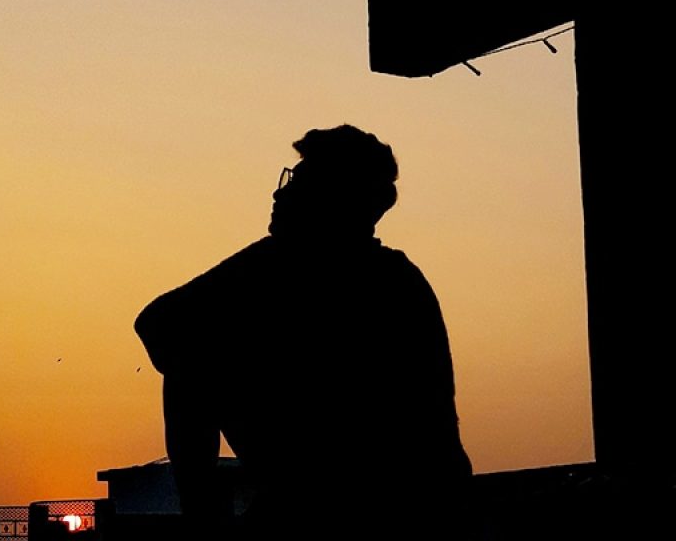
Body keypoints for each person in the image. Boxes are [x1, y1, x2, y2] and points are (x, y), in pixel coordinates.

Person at [135, 124, 472, 535]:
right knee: (192, 357)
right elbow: (157, 324)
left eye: (300, 181)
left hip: (386, 503)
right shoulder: (373, 274)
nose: (280, 193)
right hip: (385, 496)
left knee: (192, 364)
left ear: (333, 198)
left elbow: (162, 324)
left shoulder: (368, 279)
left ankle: (207, 526)